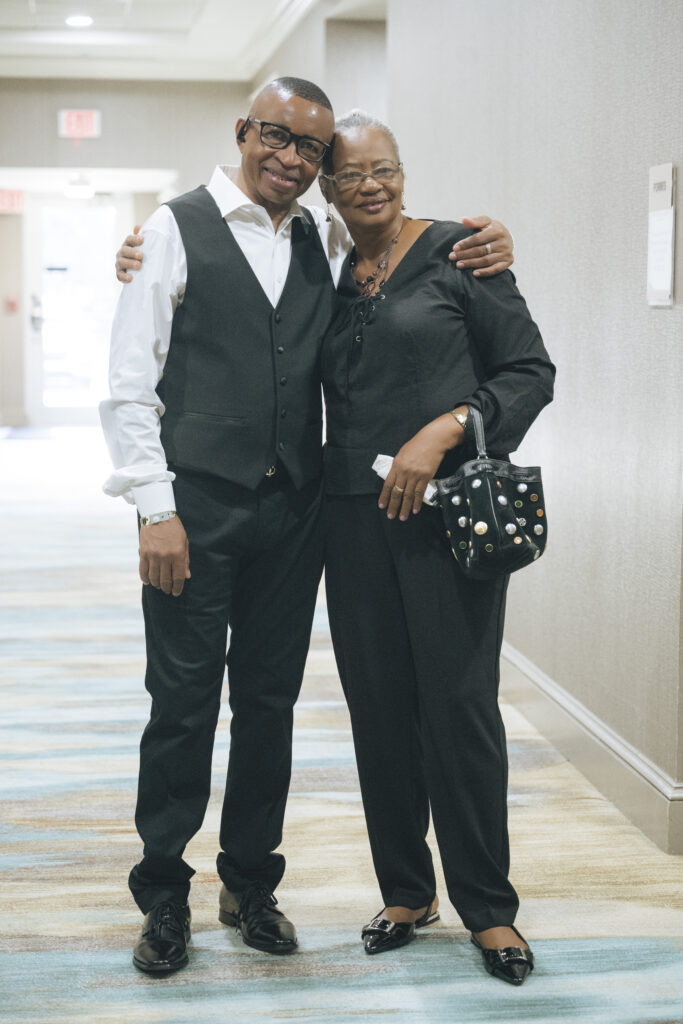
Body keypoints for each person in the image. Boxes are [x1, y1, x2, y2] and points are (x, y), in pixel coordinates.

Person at [103, 76, 515, 975]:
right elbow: (130, 382)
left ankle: (250, 882)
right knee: (181, 705)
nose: (292, 159)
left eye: (312, 149)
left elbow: (398, 253)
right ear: (243, 131)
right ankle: (163, 891)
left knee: (268, 704)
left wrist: (490, 239)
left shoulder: (320, 238)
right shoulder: (171, 229)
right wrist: (154, 506)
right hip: (195, 512)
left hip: (294, 513)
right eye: (277, 138)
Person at [317, 110, 555, 985]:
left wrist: (448, 428)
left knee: (458, 706)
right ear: (326, 189)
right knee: (377, 706)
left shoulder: (461, 253)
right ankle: (406, 893)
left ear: (402, 171)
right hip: (350, 520)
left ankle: (488, 908)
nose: (370, 185)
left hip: (448, 520)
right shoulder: (320, 267)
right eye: (350, 175)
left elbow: (528, 372)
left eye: (382, 168)